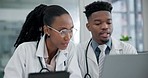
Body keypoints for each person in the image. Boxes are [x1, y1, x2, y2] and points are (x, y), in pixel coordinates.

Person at [3, 4, 82, 78]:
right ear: (47, 30)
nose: (68, 37)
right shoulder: (25, 50)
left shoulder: (70, 48)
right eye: (63, 32)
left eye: (71, 30)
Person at [76, 1, 137, 78]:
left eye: (109, 22)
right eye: (98, 23)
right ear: (88, 27)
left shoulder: (128, 50)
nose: (105, 27)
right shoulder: (78, 51)